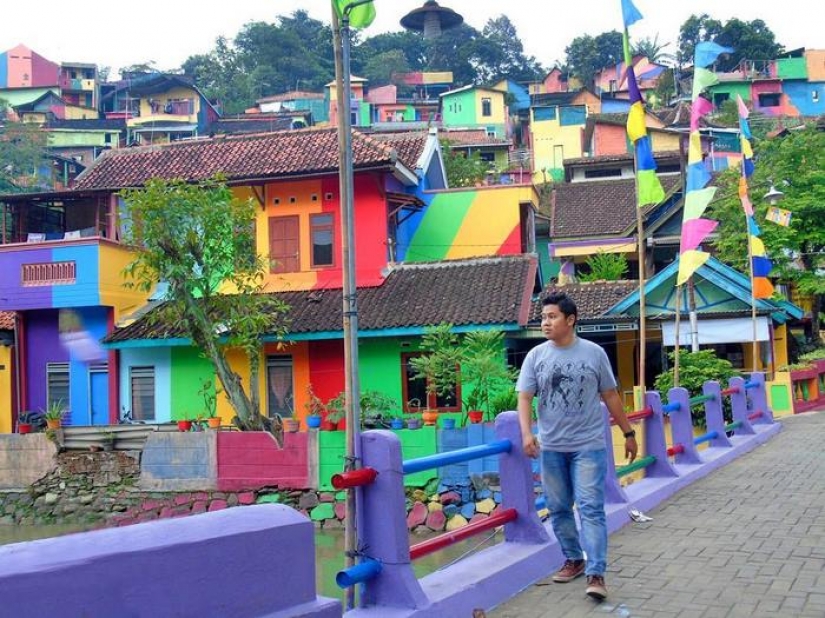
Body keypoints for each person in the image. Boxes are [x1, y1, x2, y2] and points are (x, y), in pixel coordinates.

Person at [516, 292, 638, 601]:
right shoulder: (536, 356)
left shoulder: (594, 353)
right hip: (552, 447)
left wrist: (627, 432)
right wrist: (527, 434)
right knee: (557, 508)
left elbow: (610, 394)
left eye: (552, 317)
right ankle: (573, 559)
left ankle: (596, 572)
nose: (545, 322)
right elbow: (525, 397)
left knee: (590, 508)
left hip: (588, 445)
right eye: (543, 317)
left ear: (570, 320)